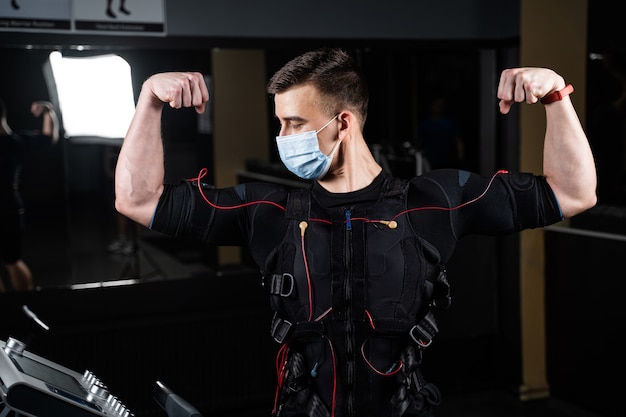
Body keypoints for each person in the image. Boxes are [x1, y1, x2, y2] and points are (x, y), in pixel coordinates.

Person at [114, 48, 597, 417]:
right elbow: (136, 200)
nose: (283, 137)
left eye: (294, 123)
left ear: (342, 122)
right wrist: (149, 101)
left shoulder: (433, 202)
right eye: (280, 123)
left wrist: (555, 95)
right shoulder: (268, 211)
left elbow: (573, 193)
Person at [0, 98, 59, 292]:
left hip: (8, 208)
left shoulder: (14, 142)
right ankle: (23, 306)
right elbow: (48, 136)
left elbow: (47, 137)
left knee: (12, 260)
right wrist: (48, 112)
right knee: (13, 260)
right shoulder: (16, 142)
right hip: (11, 207)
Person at [418, 95, 464, 170]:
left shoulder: (449, 123)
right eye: (436, 105)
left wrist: (460, 155)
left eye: (441, 105)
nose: (438, 107)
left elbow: (457, 140)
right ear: (431, 106)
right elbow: (420, 142)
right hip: (430, 159)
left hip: (447, 159)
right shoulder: (425, 124)